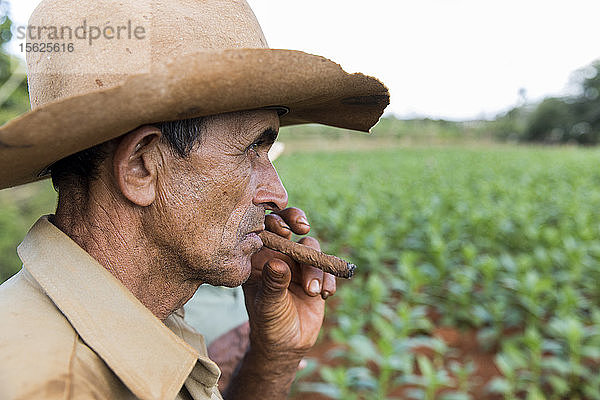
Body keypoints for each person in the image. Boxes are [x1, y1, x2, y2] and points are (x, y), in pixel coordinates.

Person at [0, 0, 389, 399]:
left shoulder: (145, 314)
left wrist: (275, 357)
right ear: (141, 167)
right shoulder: (54, 385)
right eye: (253, 148)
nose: (277, 194)